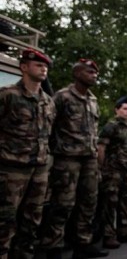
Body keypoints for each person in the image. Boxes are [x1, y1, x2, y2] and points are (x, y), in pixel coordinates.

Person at [39, 59, 108, 259]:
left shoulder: (93, 100)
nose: (94, 75)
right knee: (63, 204)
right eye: (89, 72)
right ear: (77, 73)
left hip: (89, 160)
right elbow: (48, 126)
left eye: (95, 73)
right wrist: (57, 150)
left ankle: (82, 244)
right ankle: (54, 247)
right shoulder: (62, 97)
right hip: (67, 159)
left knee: (88, 203)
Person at [0, 49, 55, 259]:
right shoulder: (8, 96)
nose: (43, 69)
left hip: (39, 169)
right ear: (24, 67)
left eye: (45, 66)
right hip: (11, 169)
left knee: (32, 220)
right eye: (38, 65)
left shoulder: (48, 102)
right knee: (5, 220)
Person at [97, 96, 127, 249]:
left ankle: (125, 231)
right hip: (113, 170)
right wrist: (101, 168)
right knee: (110, 203)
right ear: (117, 110)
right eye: (124, 108)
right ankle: (109, 236)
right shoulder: (111, 126)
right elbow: (101, 147)